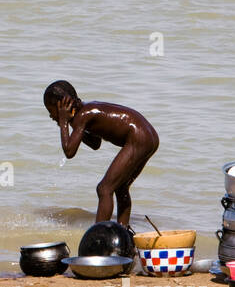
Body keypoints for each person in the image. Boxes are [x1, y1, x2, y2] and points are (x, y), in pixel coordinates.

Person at [44, 81, 159, 226]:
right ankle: (124, 231)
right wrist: (72, 124)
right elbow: (95, 144)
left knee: (104, 189)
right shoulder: (83, 114)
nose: (50, 116)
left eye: (50, 111)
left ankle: (99, 235)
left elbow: (69, 151)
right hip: (148, 136)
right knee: (120, 187)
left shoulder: (83, 115)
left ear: (61, 106)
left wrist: (64, 122)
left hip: (139, 137)